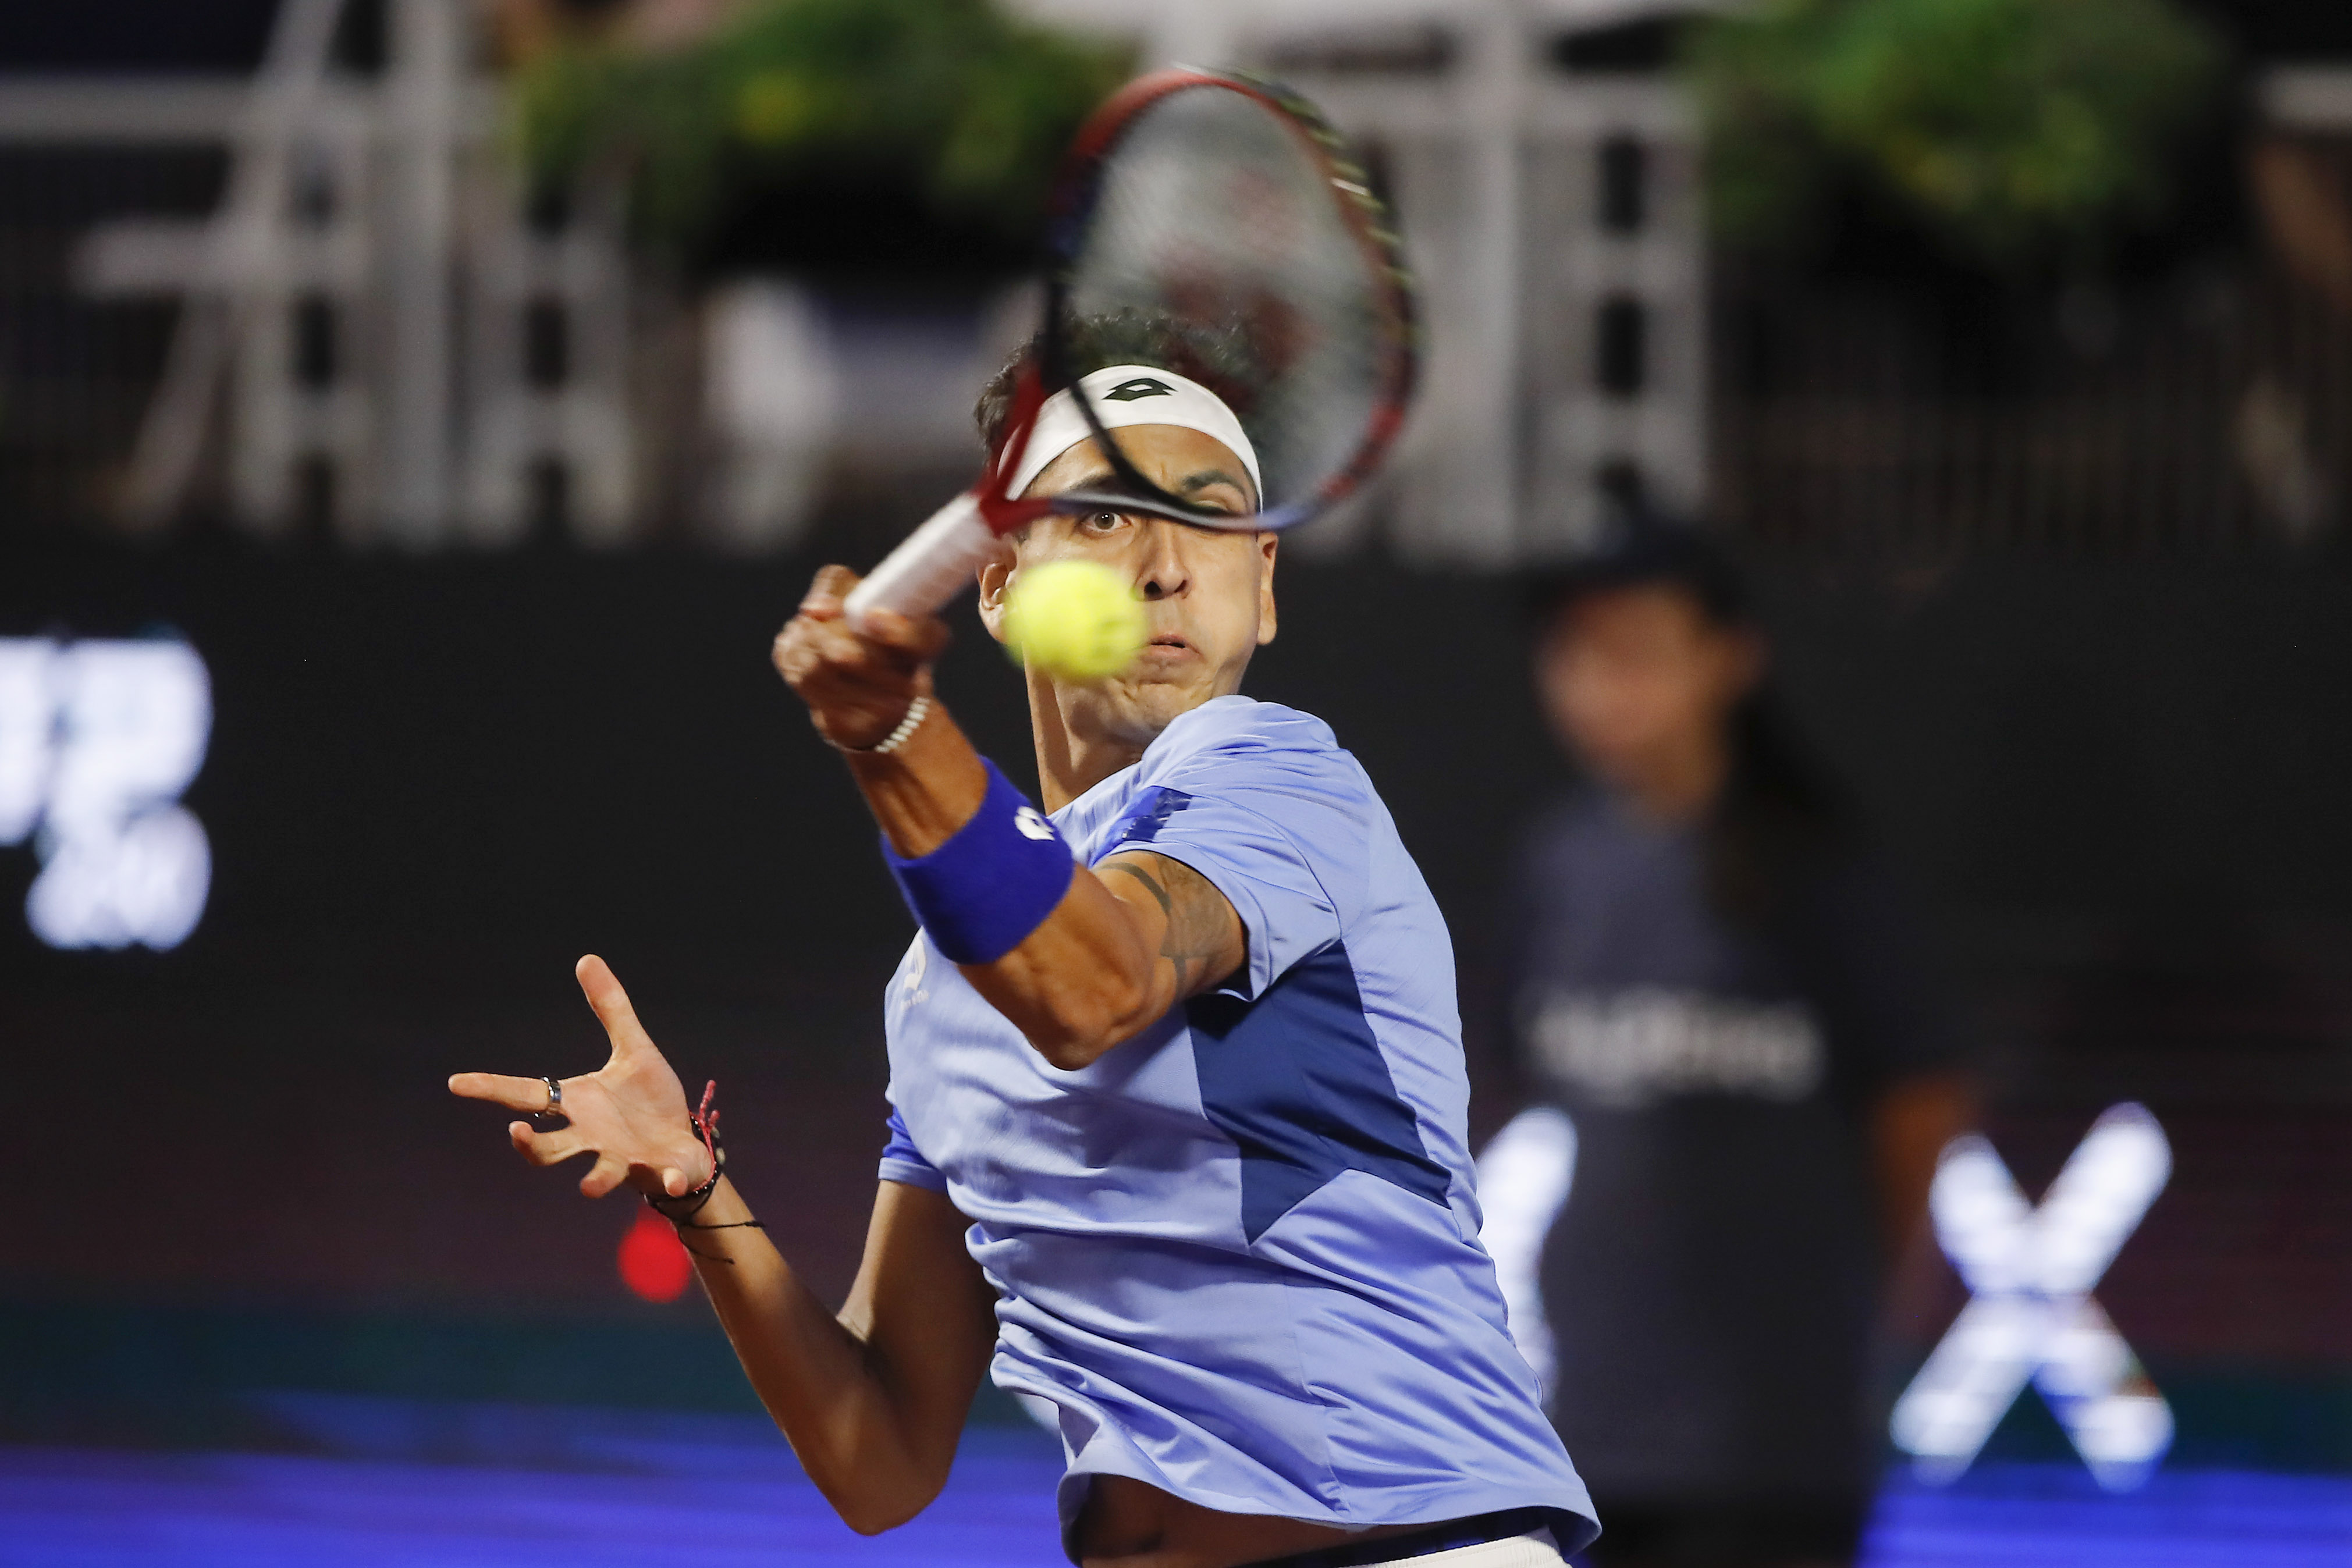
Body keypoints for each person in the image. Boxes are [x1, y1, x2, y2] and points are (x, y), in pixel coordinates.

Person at [452, 323, 1599, 1568]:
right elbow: (881, 1456)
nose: (1165, 565)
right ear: (997, 583)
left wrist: (898, 732)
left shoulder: (1280, 780)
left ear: (1262, 583)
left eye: (1207, 518)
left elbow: (1094, 982)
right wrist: (692, 1185)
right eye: (1104, 515)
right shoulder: (944, 977)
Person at [1481, 514, 1973, 1568]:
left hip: (1771, 1447)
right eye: (1573, 650)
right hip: (1590, 1431)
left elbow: (1918, 1101)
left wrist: (1864, 1315)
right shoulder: (1560, 863)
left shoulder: (1817, 870)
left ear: (1730, 660)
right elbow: (1520, 1093)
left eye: (1637, 650)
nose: (1599, 682)